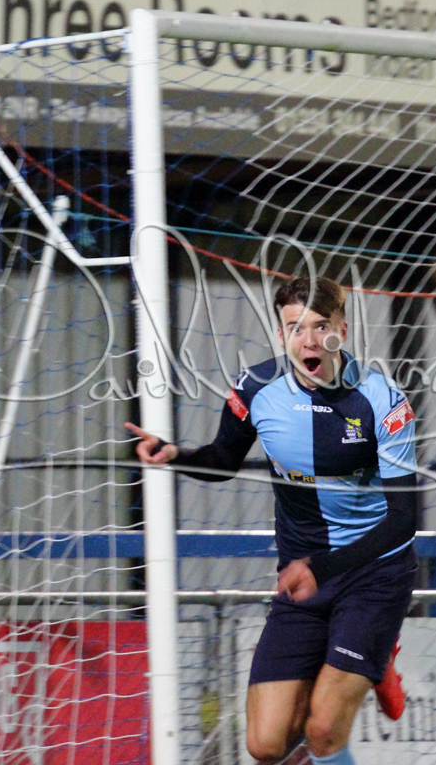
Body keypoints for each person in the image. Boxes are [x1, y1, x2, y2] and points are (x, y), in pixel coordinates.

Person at [126, 276, 417, 765]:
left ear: (342, 332)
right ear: (281, 336)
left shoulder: (382, 401)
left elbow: (403, 520)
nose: (310, 340)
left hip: (372, 576)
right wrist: (175, 454)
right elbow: (223, 459)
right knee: (265, 744)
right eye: (296, 328)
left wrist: (323, 568)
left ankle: (370, 645)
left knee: (323, 730)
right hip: (301, 579)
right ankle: (367, 655)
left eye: (321, 326)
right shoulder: (255, 388)